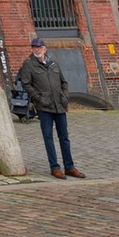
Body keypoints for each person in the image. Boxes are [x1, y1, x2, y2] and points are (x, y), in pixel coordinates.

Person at [17, 36, 84, 179]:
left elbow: (64, 82)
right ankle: (55, 167)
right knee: (48, 137)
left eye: (39, 47)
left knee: (64, 137)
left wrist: (65, 97)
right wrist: (38, 98)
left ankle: (69, 166)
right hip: (44, 107)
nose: (37, 49)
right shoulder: (28, 64)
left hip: (59, 105)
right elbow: (26, 84)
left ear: (44, 49)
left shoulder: (53, 63)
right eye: (34, 47)